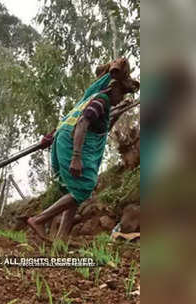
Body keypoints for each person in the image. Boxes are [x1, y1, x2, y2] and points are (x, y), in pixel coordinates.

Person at [27, 58, 140, 240]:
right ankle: (39, 220)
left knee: (74, 192)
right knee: (84, 187)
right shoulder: (101, 100)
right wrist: (76, 156)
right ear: (114, 88)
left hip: (62, 140)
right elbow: (82, 123)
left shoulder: (94, 102)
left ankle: (61, 237)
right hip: (71, 143)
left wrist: (118, 113)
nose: (122, 99)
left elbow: (101, 129)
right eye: (122, 94)